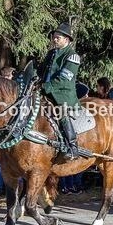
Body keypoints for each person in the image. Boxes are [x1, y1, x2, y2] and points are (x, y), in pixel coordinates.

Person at [38, 21, 81, 159]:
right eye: (54, 37)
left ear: (66, 39)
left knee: (61, 112)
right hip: (45, 92)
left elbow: (63, 79)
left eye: (58, 38)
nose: (54, 40)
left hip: (63, 95)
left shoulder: (73, 56)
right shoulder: (51, 54)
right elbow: (41, 71)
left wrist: (45, 86)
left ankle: (72, 146)